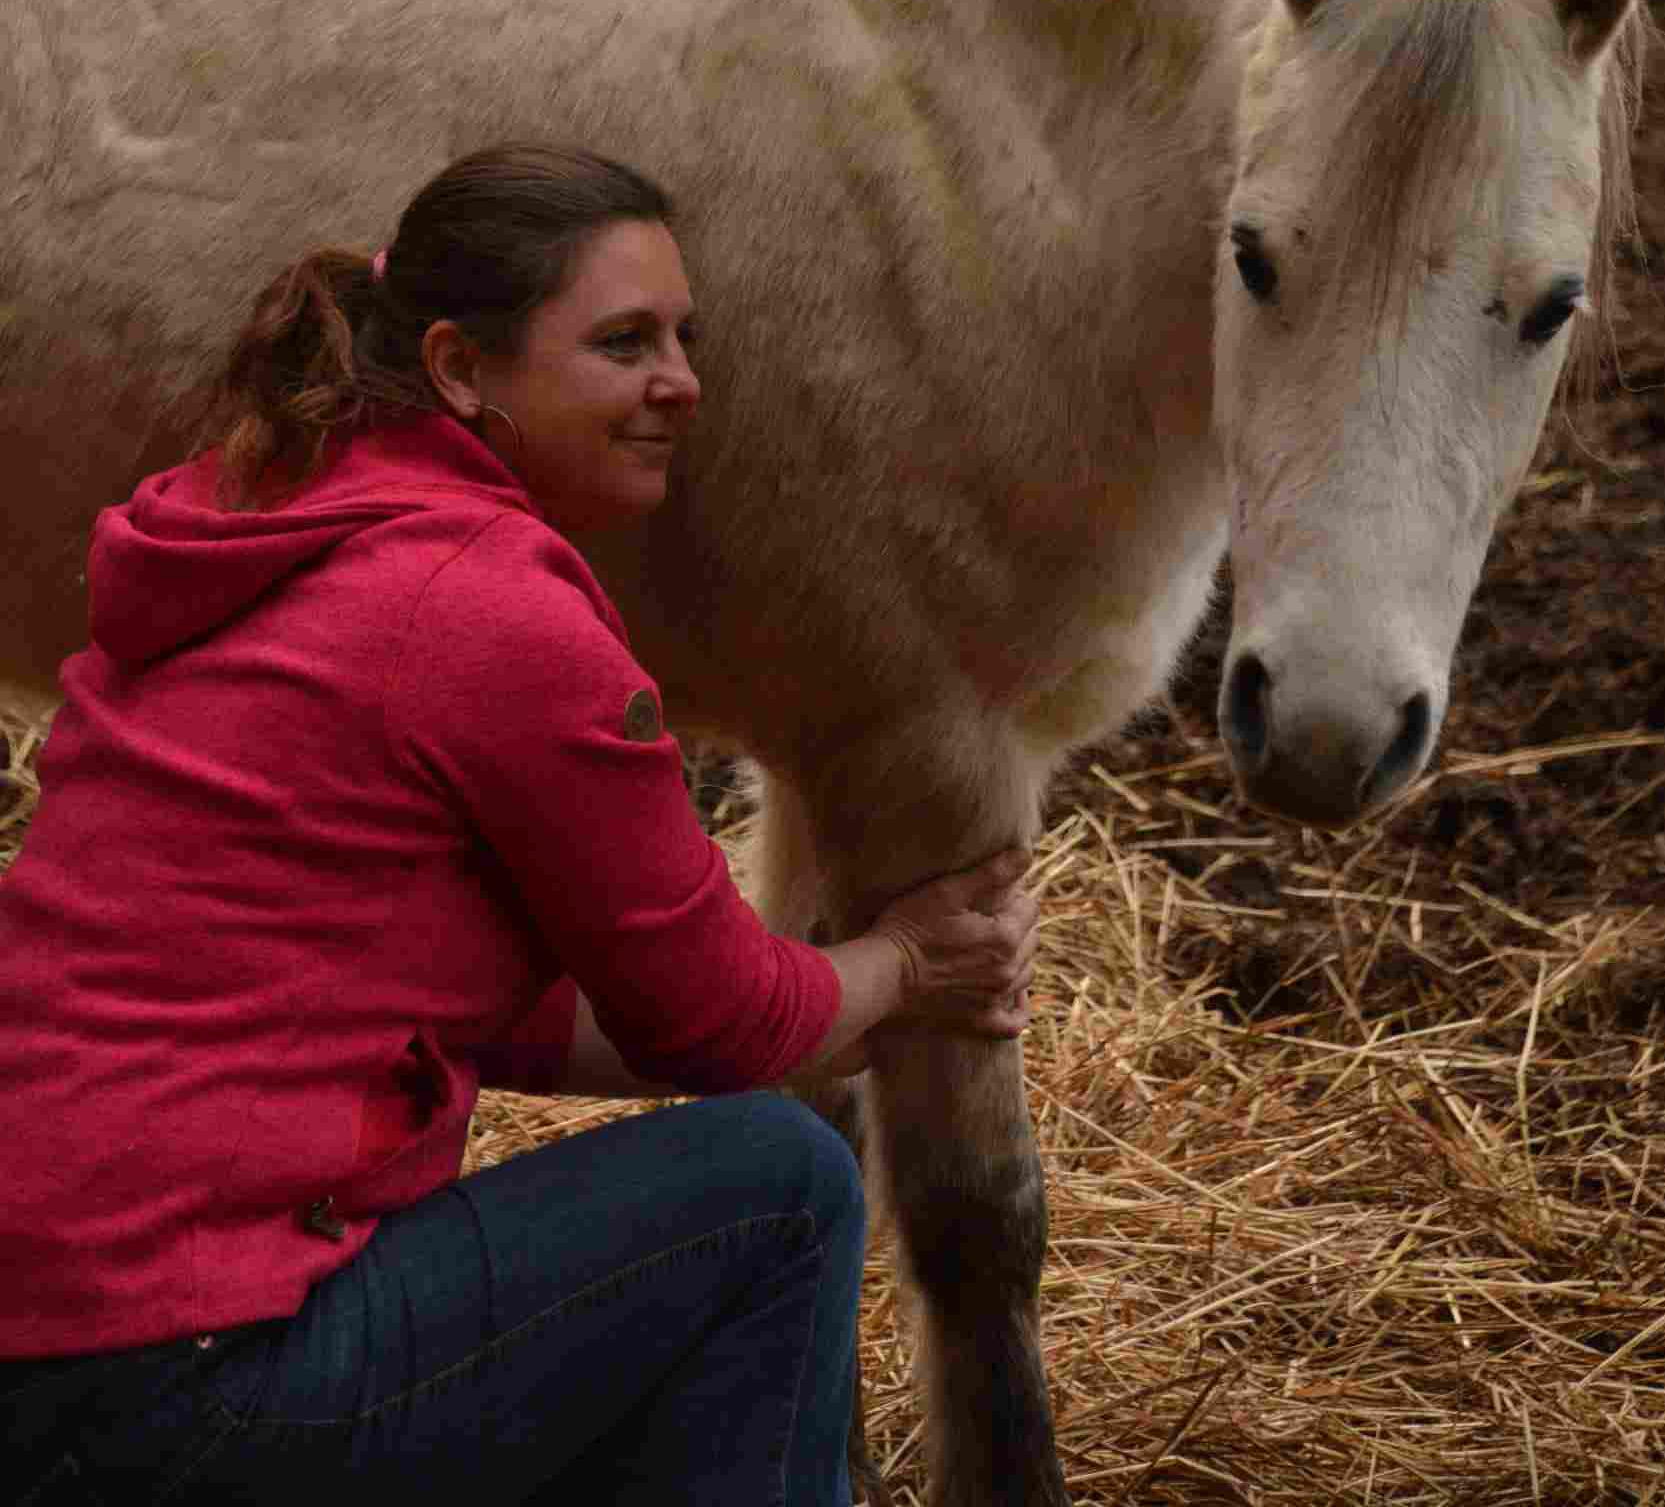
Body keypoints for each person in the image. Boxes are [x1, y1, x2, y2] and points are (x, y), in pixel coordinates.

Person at [0, 143, 1038, 1506]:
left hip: (48, 1368)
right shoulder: (487, 609)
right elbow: (720, 1028)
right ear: (458, 369)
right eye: (624, 343)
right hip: (181, 1384)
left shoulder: (278, 521)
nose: (685, 382)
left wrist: (841, 981)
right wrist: (908, 965)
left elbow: (524, 1014)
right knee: (778, 1183)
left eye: (685, 336)